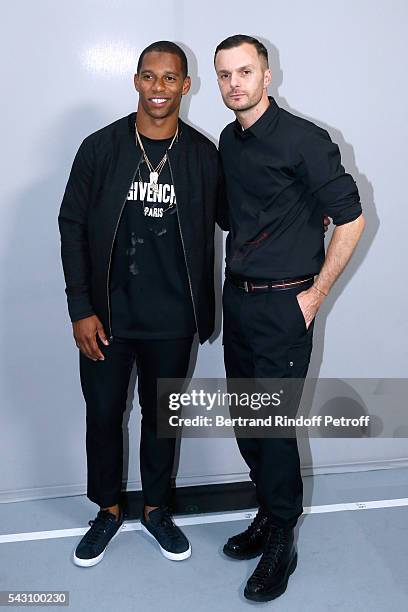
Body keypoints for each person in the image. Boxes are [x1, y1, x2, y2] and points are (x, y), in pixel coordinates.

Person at [58, 40, 226, 567]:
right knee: (104, 415)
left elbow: (237, 214)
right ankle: (107, 511)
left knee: (161, 420)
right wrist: (80, 307)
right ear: (136, 81)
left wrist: (304, 211)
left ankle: (156, 510)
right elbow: (72, 227)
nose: (159, 88)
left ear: (185, 85)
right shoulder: (100, 149)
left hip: (174, 320)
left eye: (170, 78)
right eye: (150, 77)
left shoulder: (202, 154)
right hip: (106, 320)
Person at [214, 35, 365, 602]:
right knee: (247, 422)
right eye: (225, 74)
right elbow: (234, 216)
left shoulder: (305, 139)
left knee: (273, 429)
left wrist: (316, 294)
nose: (235, 83)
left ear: (267, 75)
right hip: (240, 300)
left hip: (285, 305)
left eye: (245, 71)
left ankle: (283, 536)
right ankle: (267, 513)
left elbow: (351, 220)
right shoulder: (230, 140)